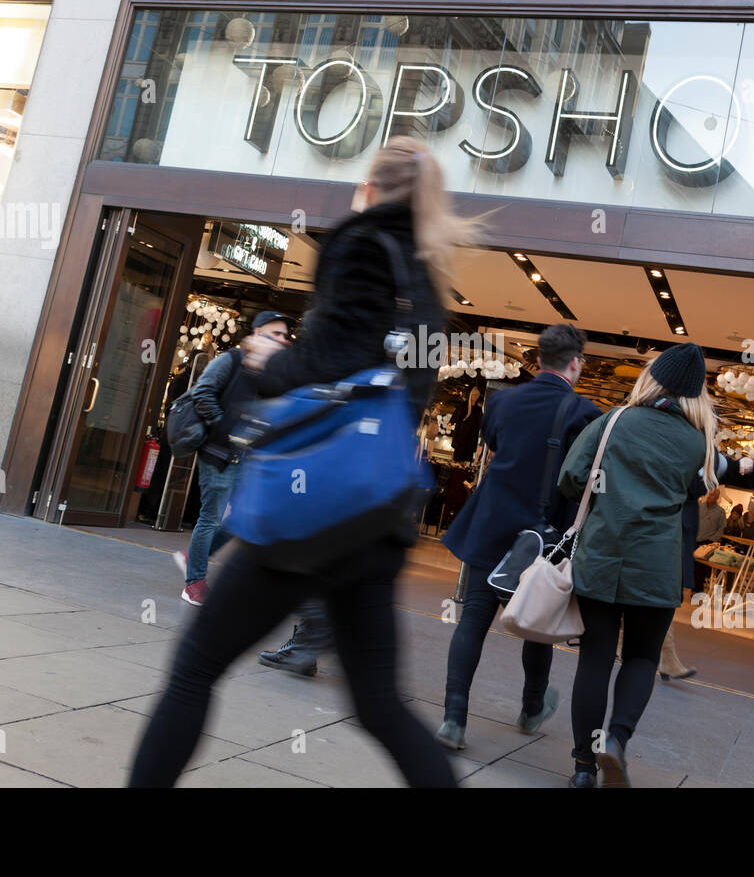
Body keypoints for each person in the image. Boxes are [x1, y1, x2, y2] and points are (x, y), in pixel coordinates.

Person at [128, 136, 475, 788]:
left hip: (308, 508)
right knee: (379, 705)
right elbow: (398, 392)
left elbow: (325, 365)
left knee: (195, 668)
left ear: (371, 188)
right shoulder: (426, 279)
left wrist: (267, 364)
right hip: (374, 516)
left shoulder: (360, 244)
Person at [558, 342, 716, 788]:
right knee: (643, 657)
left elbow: (570, 476)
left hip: (602, 557)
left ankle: (583, 769)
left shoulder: (614, 421)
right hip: (657, 566)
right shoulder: (696, 440)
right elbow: (699, 489)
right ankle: (617, 741)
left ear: (652, 379)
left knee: (595, 659)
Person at [434, 323, 600, 749]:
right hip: (543, 537)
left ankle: (454, 719)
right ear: (576, 363)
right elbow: (582, 477)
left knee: (472, 619)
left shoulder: (502, 401)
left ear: (538, 360)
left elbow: (493, 442)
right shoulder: (585, 414)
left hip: (491, 524)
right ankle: (530, 708)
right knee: (537, 623)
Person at [172, 310, 292, 606]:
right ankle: (194, 582)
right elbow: (202, 392)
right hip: (218, 452)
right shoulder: (232, 359)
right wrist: (224, 425)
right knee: (211, 518)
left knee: (244, 516)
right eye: (275, 333)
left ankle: (193, 556)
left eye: (284, 335)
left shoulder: (272, 373)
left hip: (249, 456)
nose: (282, 339)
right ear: (258, 331)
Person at [660, 456, 754, 681]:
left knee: (660, 601)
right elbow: (742, 473)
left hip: (664, 537)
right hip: (660, 535)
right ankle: (664, 658)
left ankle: (666, 658)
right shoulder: (695, 444)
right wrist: (747, 462)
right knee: (656, 600)